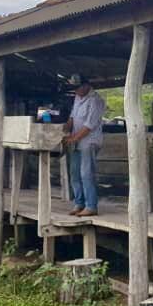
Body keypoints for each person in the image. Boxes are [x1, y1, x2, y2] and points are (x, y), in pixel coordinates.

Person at [63, 74, 106, 217]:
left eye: (78, 88)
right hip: (76, 141)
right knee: (74, 173)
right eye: (74, 89)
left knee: (86, 174)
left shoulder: (96, 101)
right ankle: (79, 203)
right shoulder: (78, 97)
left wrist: (73, 138)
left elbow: (89, 125)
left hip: (89, 141)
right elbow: (72, 117)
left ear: (86, 85)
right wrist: (64, 128)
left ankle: (91, 206)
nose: (76, 91)